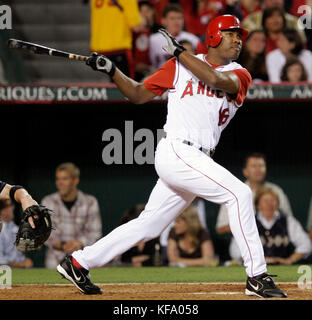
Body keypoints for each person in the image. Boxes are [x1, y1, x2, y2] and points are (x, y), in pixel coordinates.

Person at [57, 14, 287, 298]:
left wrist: (180, 51)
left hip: (198, 157)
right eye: (231, 34)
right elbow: (139, 94)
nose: (238, 40)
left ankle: (79, 261)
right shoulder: (179, 66)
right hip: (177, 149)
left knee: (149, 224)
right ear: (214, 36)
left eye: (240, 36)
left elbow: (213, 77)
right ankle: (257, 276)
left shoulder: (241, 74)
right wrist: (112, 71)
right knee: (239, 193)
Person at [216, 152, 293, 236]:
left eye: (261, 166)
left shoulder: (276, 191)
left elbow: (289, 221)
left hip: (274, 241)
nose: (258, 169)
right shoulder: (235, 192)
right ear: (245, 171)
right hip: (243, 243)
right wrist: (249, 224)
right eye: (254, 166)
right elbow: (220, 229)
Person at [42, 162, 102, 269]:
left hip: (82, 260)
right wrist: (62, 244)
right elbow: (44, 233)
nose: (60, 183)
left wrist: (79, 243)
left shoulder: (90, 202)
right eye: (58, 179)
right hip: (54, 262)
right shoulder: (48, 201)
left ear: (75, 181)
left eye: (64, 179)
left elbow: (95, 233)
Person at [229, 187, 312, 265]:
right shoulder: (248, 222)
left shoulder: (288, 221)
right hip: (255, 269)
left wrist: (290, 260)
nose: (269, 204)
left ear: (278, 204)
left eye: (273, 200)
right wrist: (256, 261)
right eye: (265, 201)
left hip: (282, 269)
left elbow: (306, 245)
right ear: (258, 205)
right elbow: (235, 250)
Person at [89, 0, 143, 78]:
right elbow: (136, 27)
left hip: (97, 50)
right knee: (126, 88)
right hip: (119, 49)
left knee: (102, 88)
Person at [149, 3, 200, 69]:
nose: (176, 22)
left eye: (179, 18)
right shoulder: (152, 40)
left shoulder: (194, 40)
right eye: (172, 18)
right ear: (163, 21)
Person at [242, 0, 307, 46]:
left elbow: (302, 46)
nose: (276, 1)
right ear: (263, 1)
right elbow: (245, 46)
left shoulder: (294, 21)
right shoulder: (252, 19)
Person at [0, 199, 33, 268]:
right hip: (6, 272)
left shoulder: (13, 226)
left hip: (19, 270)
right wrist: (20, 264)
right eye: (8, 206)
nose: (12, 208)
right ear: (2, 210)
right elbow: (1, 260)